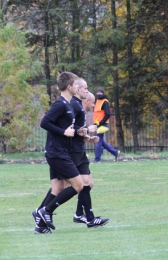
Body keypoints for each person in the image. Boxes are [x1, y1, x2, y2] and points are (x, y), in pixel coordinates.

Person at [32, 71, 86, 234]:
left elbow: (66, 128)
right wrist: (63, 132)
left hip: (59, 151)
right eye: (76, 84)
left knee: (58, 187)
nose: (78, 87)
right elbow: (44, 122)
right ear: (69, 87)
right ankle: (45, 211)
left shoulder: (68, 105)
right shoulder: (60, 104)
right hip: (57, 153)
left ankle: (40, 225)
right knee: (79, 185)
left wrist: (79, 132)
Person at [70, 79, 109, 227]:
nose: (93, 106)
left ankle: (81, 214)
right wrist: (86, 131)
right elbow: (71, 131)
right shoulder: (75, 109)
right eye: (92, 103)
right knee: (61, 187)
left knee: (88, 183)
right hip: (73, 153)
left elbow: (77, 133)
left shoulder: (80, 112)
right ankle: (44, 210)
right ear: (86, 101)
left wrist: (87, 137)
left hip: (80, 151)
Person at [93, 87, 120, 163]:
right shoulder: (97, 101)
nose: (98, 94)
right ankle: (115, 152)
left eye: (100, 93)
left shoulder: (105, 101)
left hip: (102, 123)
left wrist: (101, 122)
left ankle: (97, 159)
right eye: (97, 93)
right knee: (101, 141)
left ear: (103, 93)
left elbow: (107, 114)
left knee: (98, 140)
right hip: (98, 123)